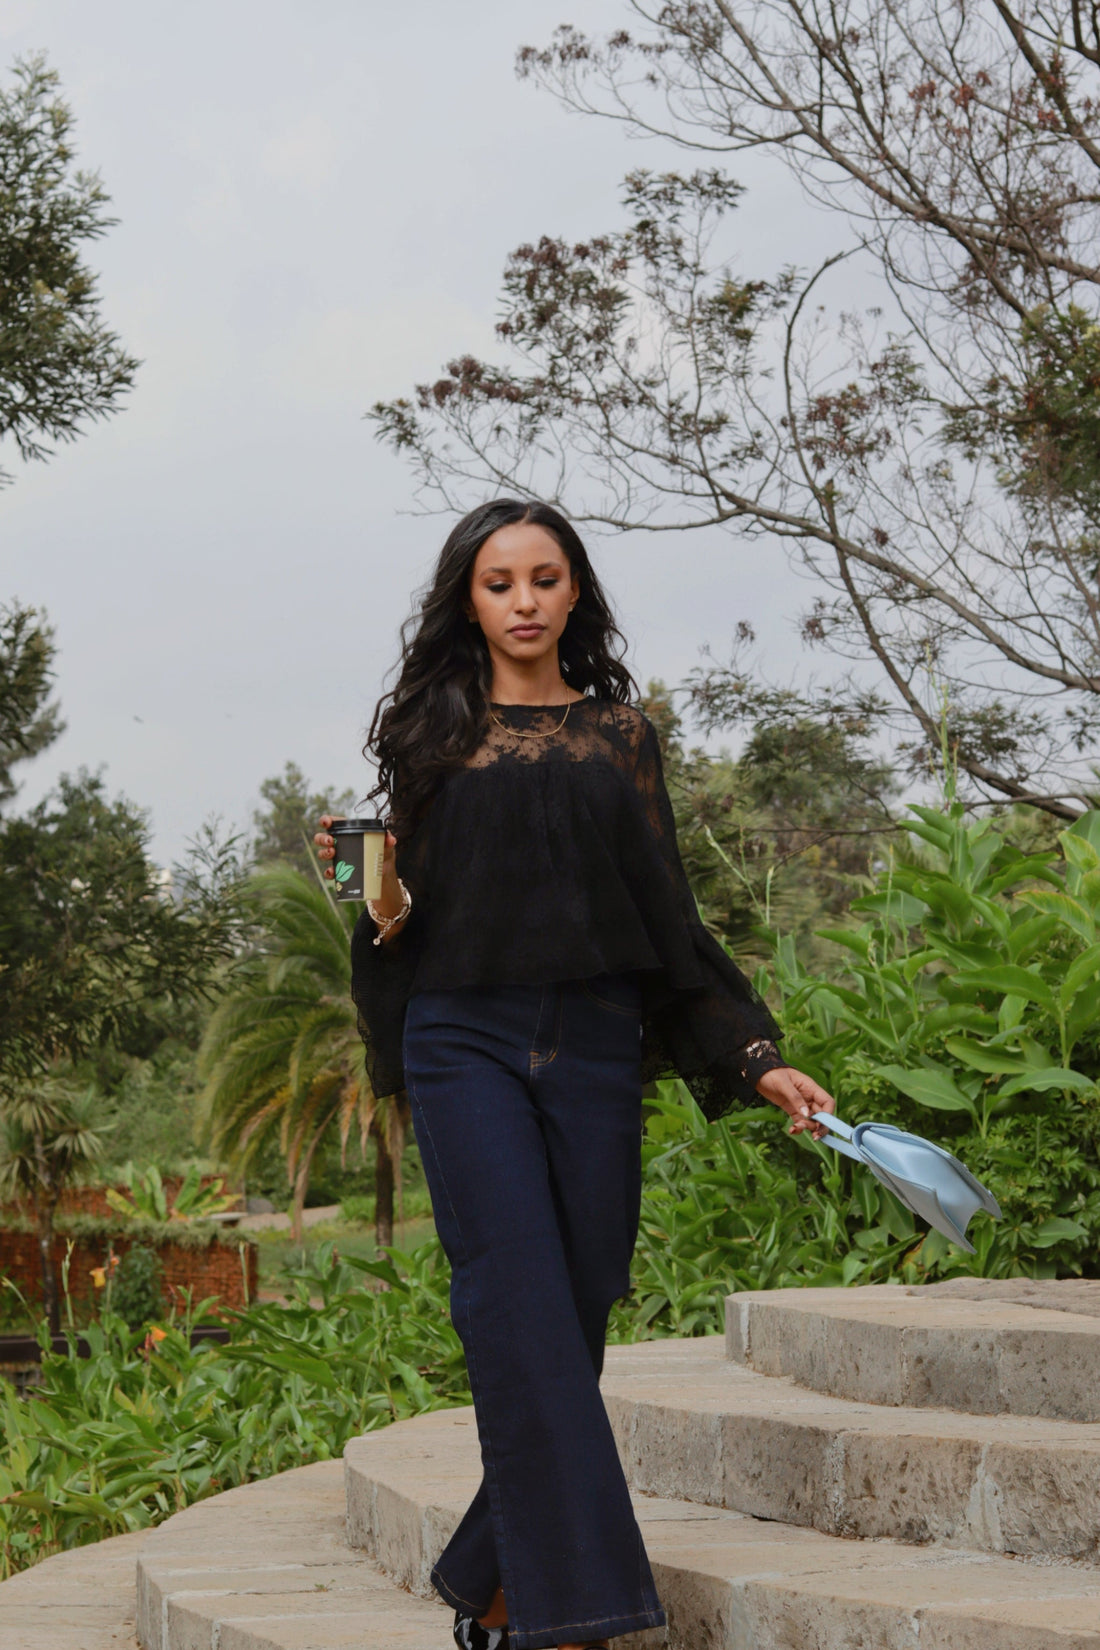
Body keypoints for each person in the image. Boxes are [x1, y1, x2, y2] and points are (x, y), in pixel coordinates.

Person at [314, 498, 837, 1650]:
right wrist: (372, 893)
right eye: (498, 583)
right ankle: (571, 1617)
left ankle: (491, 1573)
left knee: (581, 1301)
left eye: (543, 580)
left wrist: (756, 1053)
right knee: (516, 1304)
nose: (522, 603)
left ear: (574, 593)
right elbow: (401, 918)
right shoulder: (428, 735)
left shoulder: (620, 737)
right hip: (466, 1040)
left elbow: (667, 912)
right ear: (469, 599)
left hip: (596, 1041)